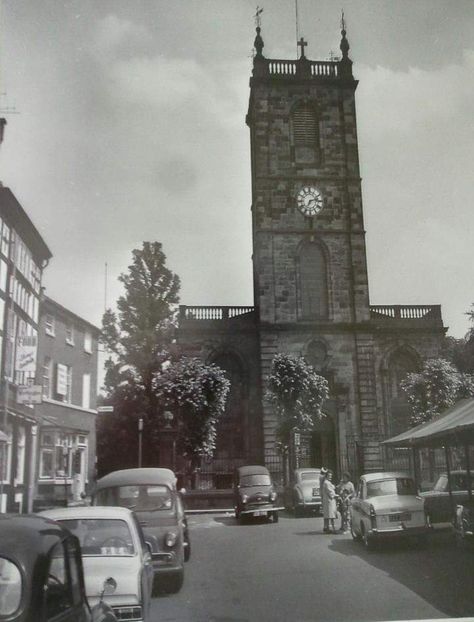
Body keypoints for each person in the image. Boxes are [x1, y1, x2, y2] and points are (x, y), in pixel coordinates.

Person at [322, 469, 338, 533]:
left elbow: (332, 488)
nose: (330, 477)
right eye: (329, 476)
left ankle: (326, 527)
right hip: (330, 501)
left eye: (331, 476)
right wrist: (336, 495)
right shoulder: (326, 483)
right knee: (331, 515)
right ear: (326, 476)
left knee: (327, 515)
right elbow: (330, 492)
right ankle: (333, 529)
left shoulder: (327, 482)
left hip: (327, 500)